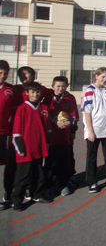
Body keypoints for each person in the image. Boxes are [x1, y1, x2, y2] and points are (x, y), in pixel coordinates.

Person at [11, 82, 51, 211]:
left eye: (37, 92)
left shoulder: (43, 107)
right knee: (22, 177)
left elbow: (48, 129)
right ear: (27, 93)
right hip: (26, 150)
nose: (35, 94)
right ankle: (16, 200)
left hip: (40, 149)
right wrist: (20, 149)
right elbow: (16, 133)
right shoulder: (22, 108)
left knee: (39, 175)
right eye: (32, 92)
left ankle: (37, 194)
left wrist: (48, 143)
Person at [43, 76, 78, 197]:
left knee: (64, 161)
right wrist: (55, 122)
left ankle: (63, 184)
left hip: (64, 137)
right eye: (58, 86)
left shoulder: (70, 98)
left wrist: (70, 123)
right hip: (50, 138)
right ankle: (46, 186)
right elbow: (45, 116)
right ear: (52, 86)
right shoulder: (47, 99)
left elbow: (74, 116)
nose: (60, 88)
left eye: (63, 86)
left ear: (66, 87)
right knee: (48, 163)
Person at [0, 60, 17, 207]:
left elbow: (14, 111)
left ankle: (7, 193)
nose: (3, 76)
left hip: (4, 132)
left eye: (5, 74)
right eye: (0, 73)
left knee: (6, 164)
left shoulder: (10, 90)